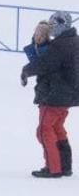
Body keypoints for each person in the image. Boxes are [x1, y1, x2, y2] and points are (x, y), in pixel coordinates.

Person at [21, 11, 77, 178]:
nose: (51, 30)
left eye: (53, 26)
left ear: (61, 26)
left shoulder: (59, 46)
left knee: (44, 130)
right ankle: (64, 165)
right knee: (56, 128)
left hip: (53, 95)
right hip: (67, 96)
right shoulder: (74, 41)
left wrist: (26, 71)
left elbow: (44, 63)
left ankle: (53, 168)